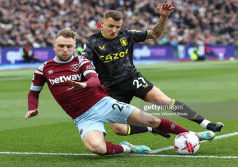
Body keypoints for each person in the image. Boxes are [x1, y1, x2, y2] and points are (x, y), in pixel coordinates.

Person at [25, 29, 215, 156]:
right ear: (54, 47)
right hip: (82, 117)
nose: (65, 49)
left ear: (74, 47)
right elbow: (34, 92)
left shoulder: (81, 62)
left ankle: (193, 134)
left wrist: (84, 85)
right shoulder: (43, 69)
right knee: (95, 148)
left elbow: (94, 79)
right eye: (61, 46)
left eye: (69, 46)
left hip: (102, 103)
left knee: (151, 120)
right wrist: (32, 108)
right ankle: (127, 148)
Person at [82, 2, 224, 137]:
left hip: (132, 79)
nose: (114, 30)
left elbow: (154, 34)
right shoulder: (92, 41)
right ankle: (151, 128)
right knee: (118, 129)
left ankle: (206, 124)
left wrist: (164, 16)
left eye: (118, 27)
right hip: (111, 88)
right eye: (111, 26)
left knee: (165, 101)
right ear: (103, 23)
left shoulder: (126, 35)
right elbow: (84, 61)